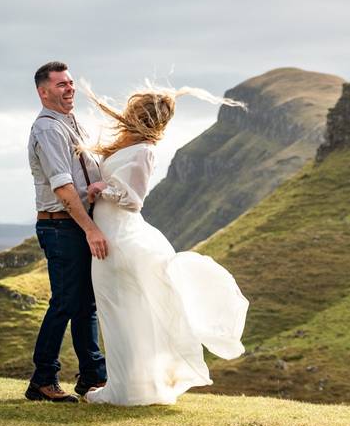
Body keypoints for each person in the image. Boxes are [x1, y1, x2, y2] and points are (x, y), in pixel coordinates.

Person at [80, 84, 250, 406]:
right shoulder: (127, 146)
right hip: (109, 234)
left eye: (138, 110)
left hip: (120, 237)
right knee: (115, 312)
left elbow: (134, 200)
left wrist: (103, 190)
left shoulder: (145, 151)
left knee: (125, 311)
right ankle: (128, 385)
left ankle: (127, 390)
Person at [24, 61, 109, 403]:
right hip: (61, 226)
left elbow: (79, 178)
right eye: (61, 84)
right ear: (43, 92)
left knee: (85, 304)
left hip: (72, 223)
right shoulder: (48, 129)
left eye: (70, 83)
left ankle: (92, 379)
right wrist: (90, 229)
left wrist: (96, 189)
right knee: (64, 303)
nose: (69, 88)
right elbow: (62, 188)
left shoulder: (72, 123)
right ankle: (43, 379)